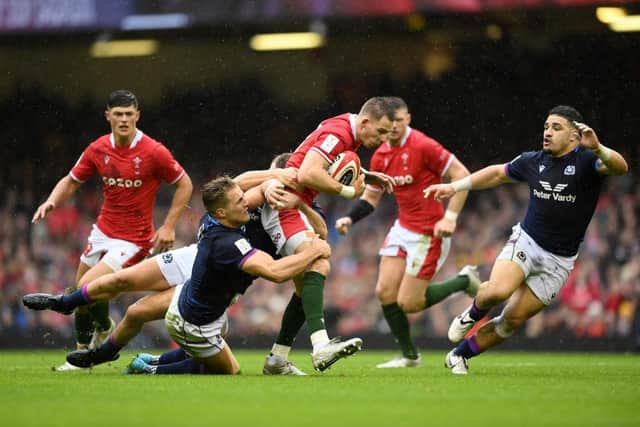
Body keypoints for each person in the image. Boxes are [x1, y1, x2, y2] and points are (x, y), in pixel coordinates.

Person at [24, 155, 325, 374]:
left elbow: (317, 235)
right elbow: (238, 184)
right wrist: (273, 178)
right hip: (198, 256)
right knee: (123, 279)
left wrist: (302, 208)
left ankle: (114, 356)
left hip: (222, 275)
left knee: (138, 310)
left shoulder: (296, 215)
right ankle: (67, 303)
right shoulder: (250, 196)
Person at [424, 105, 628, 374]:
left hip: (560, 260)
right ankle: (471, 313)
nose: (547, 132)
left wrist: (598, 147)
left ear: (574, 136)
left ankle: (458, 355)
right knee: (497, 291)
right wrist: (454, 186)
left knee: (512, 321)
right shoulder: (534, 161)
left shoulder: (589, 161)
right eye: (546, 126)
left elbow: (621, 168)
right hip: (527, 242)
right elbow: (497, 173)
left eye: (556, 128)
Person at [31, 90, 193, 371]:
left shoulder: (154, 151)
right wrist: (52, 201)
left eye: (129, 114)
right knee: (79, 295)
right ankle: (85, 350)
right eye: (118, 114)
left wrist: (168, 226)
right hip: (103, 231)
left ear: (137, 116)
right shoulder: (98, 148)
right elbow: (71, 181)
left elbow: (185, 184)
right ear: (108, 116)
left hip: (134, 240)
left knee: (84, 289)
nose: (124, 119)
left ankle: (98, 338)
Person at [130, 176, 331, 375]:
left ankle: (153, 359)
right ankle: (150, 369)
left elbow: (238, 184)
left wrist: (275, 185)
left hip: (205, 307)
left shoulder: (222, 220)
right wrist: (313, 251)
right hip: (196, 317)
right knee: (229, 369)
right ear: (222, 211)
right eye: (239, 201)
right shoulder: (228, 240)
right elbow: (275, 272)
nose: (246, 202)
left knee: (211, 354)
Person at [335, 97, 479, 368]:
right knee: (384, 292)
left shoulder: (423, 145)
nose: (393, 128)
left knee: (409, 304)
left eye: (399, 121)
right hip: (403, 228)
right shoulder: (380, 155)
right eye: (390, 124)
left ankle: (463, 280)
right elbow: (371, 198)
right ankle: (410, 356)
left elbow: (462, 174)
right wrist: (349, 218)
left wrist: (450, 216)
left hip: (429, 232)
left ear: (408, 119)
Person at [260, 96, 397, 373]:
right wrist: (349, 192)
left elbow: (328, 163)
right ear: (366, 121)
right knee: (318, 259)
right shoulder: (340, 133)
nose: (383, 140)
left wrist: (368, 176)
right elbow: (309, 173)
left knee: (306, 285)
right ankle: (320, 346)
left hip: (297, 204)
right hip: (286, 204)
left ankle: (277, 358)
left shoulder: (348, 132)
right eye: (381, 132)